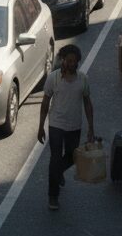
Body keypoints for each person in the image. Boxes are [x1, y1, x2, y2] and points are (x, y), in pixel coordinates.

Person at [36, 44, 95, 211]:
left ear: (77, 62)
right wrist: (40, 127)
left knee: (72, 156)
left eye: (74, 61)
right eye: (68, 61)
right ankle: (53, 196)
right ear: (63, 60)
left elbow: (88, 104)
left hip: (74, 125)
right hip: (56, 124)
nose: (71, 64)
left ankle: (58, 171)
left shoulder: (83, 79)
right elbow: (45, 102)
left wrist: (91, 127)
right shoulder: (53, 78)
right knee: (55, 159)